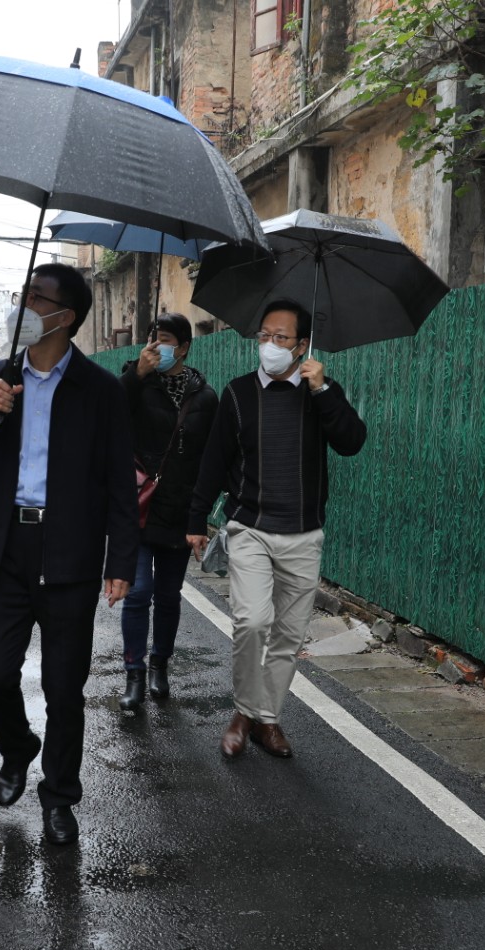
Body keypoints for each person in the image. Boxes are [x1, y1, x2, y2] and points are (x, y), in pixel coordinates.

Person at [0, 262, 138, 846]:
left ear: (66, 316)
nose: (24, 306)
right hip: (5, 546)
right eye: (23, 295)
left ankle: (59, 797)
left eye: (37, 298)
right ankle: (17, 748)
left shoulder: (100, 391)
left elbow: (119, 483)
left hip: (69, 551)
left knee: (63, 688)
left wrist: (120, 563)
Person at [186, 299, 367, 759]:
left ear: (301, 345)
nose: (269, 344)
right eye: (264, 335)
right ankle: (243, 712)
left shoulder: (320, 393)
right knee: (251, 622)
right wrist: (196, 519)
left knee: (288, 635)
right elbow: (215, 460)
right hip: (250, 527)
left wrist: (323, 390)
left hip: (303, 533)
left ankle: (265, 718)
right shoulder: (238, 393)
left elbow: (352, 442)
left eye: (280, 337)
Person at [117, 313, 218, 711]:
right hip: (139, 505)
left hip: (180, 509)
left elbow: (210, 460)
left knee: (168, 596)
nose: (158, 346)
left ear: (185, 347)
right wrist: (137, 375)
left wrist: (200, 516)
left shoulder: (205, 397)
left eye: (166, 339)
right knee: (138, 592)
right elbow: (109, 415)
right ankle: (134, 673)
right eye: (153, 338)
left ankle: (160, 664)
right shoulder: (135, 382)